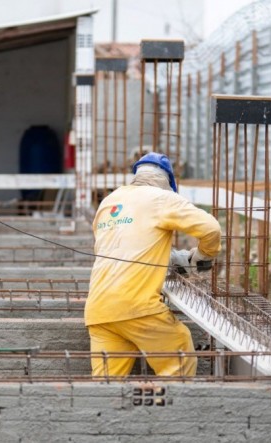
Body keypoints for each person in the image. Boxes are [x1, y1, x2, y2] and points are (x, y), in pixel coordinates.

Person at [85, 152, 221, 377]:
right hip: (137, 306)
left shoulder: (109, 201)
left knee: (106, 388)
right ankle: (170, 410)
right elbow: (211, 229)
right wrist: (203, 256)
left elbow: (123, 245)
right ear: (167, 181)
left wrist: (169, 259)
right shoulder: (160, 198)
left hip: (99, 310)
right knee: (179, 358)